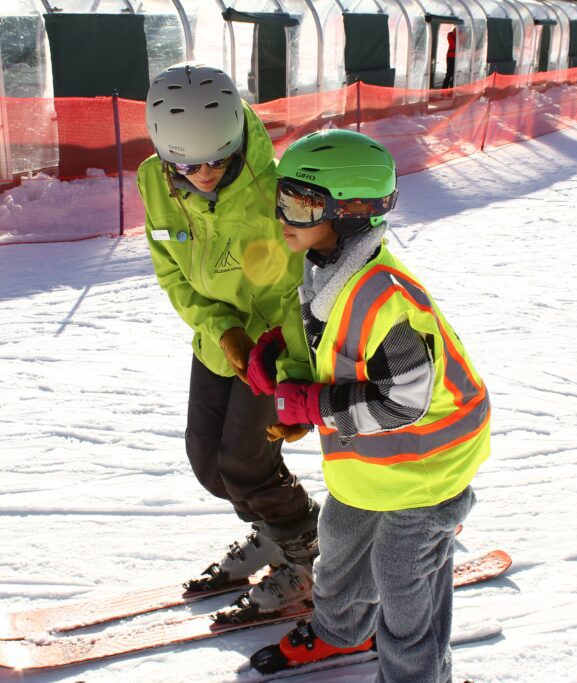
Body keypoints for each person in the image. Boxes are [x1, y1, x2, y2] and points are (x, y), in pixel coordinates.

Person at [246, 129, 492, 681]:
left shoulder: (387, 298)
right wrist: (286, 365)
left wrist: (314, 405)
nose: (283, 214)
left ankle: (417, 675)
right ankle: (339, 633)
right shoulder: (328, 273)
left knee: (402, 578)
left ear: (351, 212)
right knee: (341, 541)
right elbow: (341, 352)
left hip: (431, 465)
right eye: (280, 197)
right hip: (376, 463)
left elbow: (402, 402)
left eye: (300, 204)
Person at [137, 63, 319, 621]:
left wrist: (293, 373)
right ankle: (271, 531)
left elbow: (304, 286)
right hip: (219, 342)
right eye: (189, 165)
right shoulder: (153, 180)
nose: (207, 173)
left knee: (246, 464)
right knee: (209, 465)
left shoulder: (277, 189)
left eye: (219, 158)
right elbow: (171, 271)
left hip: (278, 347)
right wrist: (223, 331)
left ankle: (311, 557)